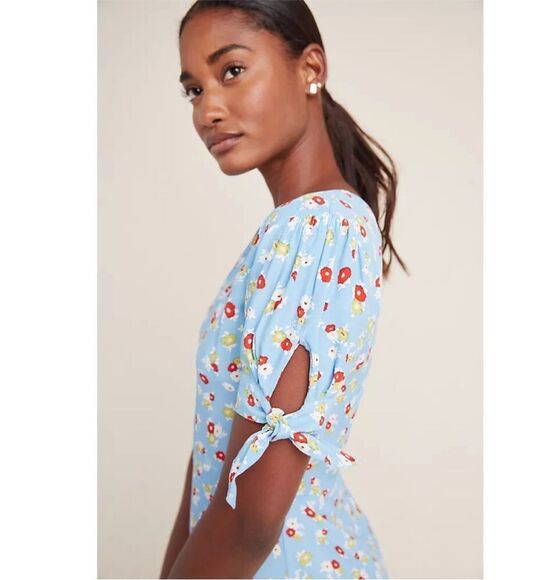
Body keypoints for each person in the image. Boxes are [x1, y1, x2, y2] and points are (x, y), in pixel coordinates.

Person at [160, 1, 407, 578]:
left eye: (232, 71)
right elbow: (217, 451)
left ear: (310, 68)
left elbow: (252, 518)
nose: (208, 109)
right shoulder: (301, 228)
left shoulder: (313, 227)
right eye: (194, 90)